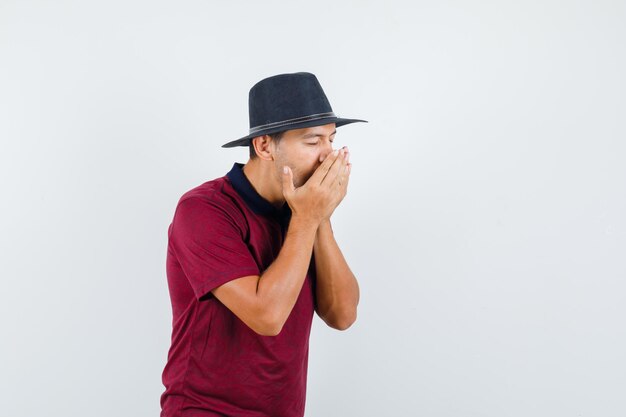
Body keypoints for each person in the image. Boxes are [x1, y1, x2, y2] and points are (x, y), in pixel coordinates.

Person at [160, 72, 368, 417]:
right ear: (264, 146)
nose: (327, 156)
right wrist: (306, 218)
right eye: (312, 142)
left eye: (331, 140)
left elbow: (343, 315)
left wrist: (320, 217)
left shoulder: (302, 209)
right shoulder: (203, 210)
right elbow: (267, 316)